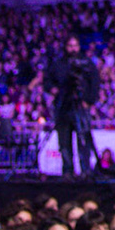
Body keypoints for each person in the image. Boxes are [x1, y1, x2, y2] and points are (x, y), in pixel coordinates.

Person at [33, 34, 101, 178]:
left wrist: (88, 101)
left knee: (83, 139)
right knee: (64, 142)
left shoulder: (86, 63)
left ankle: (85, 171)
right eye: (70, 46)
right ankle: (67, 172)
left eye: (75, 46)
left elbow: (94, 83)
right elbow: (47, 81)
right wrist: (53, 89)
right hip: (63, 106)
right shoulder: (59, 64)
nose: (73, 49)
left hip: (81, 107)